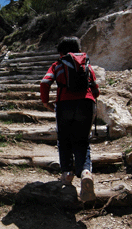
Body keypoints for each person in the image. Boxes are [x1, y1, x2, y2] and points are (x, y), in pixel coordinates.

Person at [40, 36, 100, 202]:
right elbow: (96, 89)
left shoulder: (58, 64)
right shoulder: (86, 64)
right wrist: (89, 98)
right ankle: (86, 173)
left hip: (64, 105)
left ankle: (67, 174)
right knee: (82, 141)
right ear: (79, 50)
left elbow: (45, 82)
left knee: (65, 139)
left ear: (61, 52)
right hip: (86, 104)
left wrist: (45, 102)